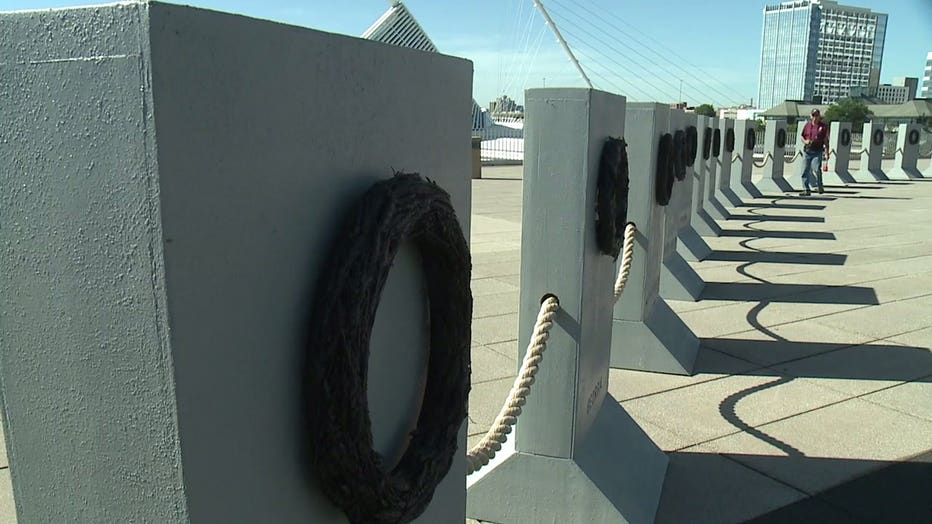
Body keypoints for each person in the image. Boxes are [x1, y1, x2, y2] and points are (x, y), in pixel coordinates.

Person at [799, 108, 831, 196]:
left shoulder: (823, 127)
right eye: (813, 115)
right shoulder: (807, 125)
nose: (815, 117)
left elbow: (826, 140)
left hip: (817, 150)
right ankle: (806, 189)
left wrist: (827, 152)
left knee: (816, 169)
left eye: (816, 115)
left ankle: (820, 186)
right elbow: (802, 136)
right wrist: (805, 141)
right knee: (804, 170)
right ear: (811, 116)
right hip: (807, 150)